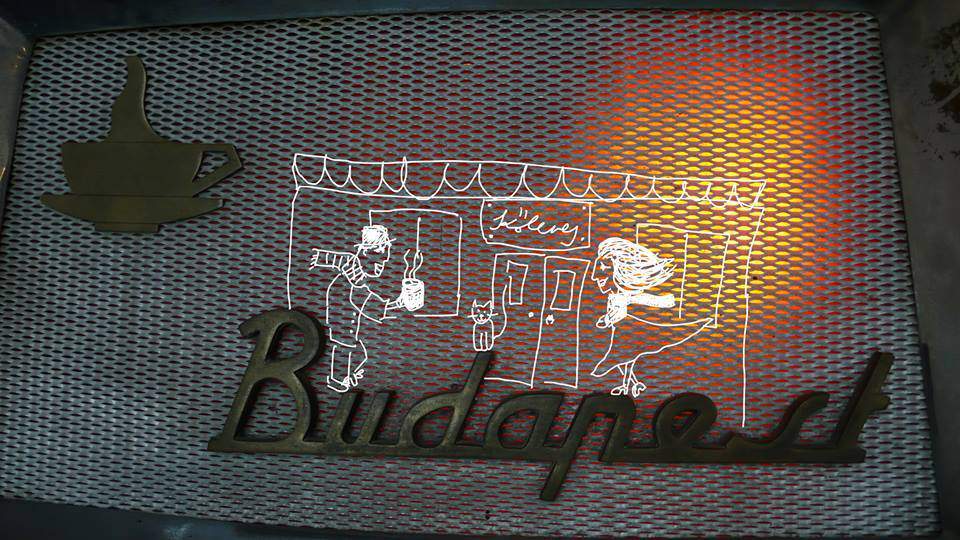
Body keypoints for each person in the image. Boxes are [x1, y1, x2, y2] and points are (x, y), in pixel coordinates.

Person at [318, 225, 420, 392]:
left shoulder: (353, 271)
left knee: (359, 355)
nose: (386, 258)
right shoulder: (352, 276)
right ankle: (338, 381)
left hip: (345, 330)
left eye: (386, 249)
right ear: (365, 252)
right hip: (343, 330)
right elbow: (368, 304)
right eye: (380, 250)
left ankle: (345, 379)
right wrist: (399, 304)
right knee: (346, 351)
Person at [589, 237, 678, 397]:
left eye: (602, 270)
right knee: (624, 361)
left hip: (625, 335)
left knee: (622, 359)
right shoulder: (615, 296)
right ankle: (633, 384)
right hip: (622, 334)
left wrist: (607, 320)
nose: (594, 277)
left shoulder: (621, 296)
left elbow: (621, 312)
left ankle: (626, 386)